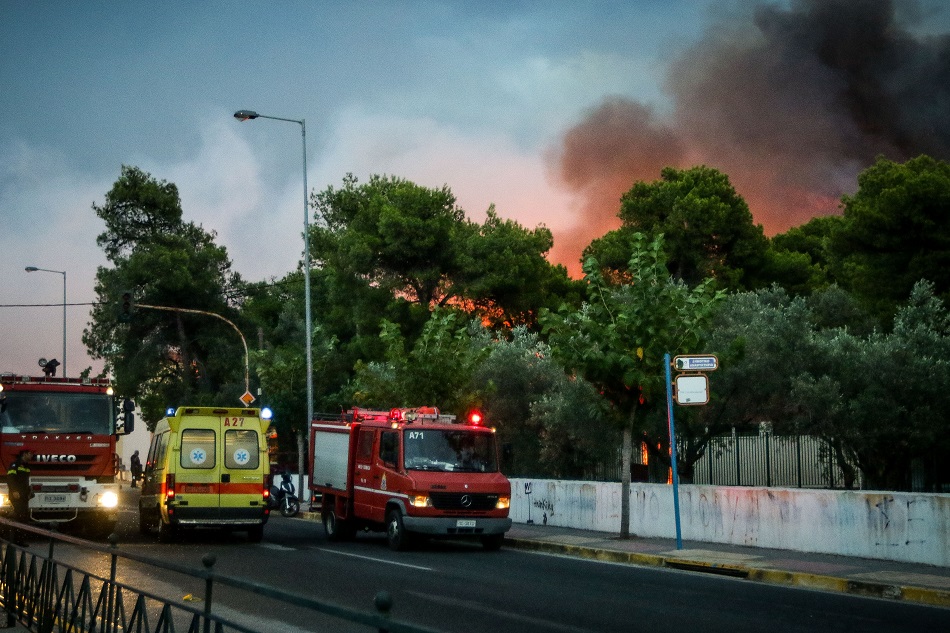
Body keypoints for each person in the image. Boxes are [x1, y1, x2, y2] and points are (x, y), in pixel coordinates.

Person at [6, 449, 33, 546]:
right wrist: (14, 491)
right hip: (17, 496)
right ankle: (17, 541)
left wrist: (29, 492)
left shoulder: (26, 466)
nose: (31, 456)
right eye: (30, 454)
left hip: (24, 496)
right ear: (24, 454)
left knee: (24, 518)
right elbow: (10, 478)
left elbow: (25, 482)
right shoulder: (15, 465)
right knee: (20, 517)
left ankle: (19, 540)